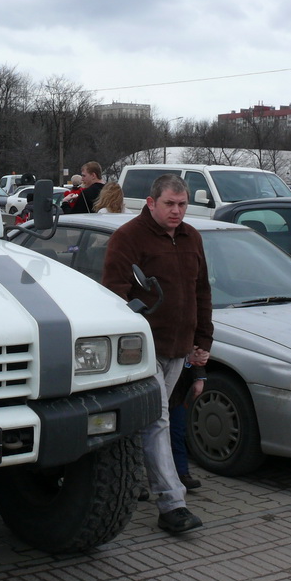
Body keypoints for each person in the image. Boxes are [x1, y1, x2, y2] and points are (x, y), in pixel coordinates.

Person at [101, 173, 213, 535]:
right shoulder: (129, 237)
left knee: (146, 422)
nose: (177, 211)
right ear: (151, 203)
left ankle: (126, 478)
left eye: (182, 205)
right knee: (157, 420)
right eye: (170, 204)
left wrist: (203, 341)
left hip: (179, 349)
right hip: (143, 351)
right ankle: (172, 504)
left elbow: (201, 292)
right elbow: (114, 294)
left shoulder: (191, 237)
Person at [169, 352, 205, 490]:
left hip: (178, 388)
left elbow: (196, 347)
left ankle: (181, 473)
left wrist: (199, 378)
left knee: (177, 431)